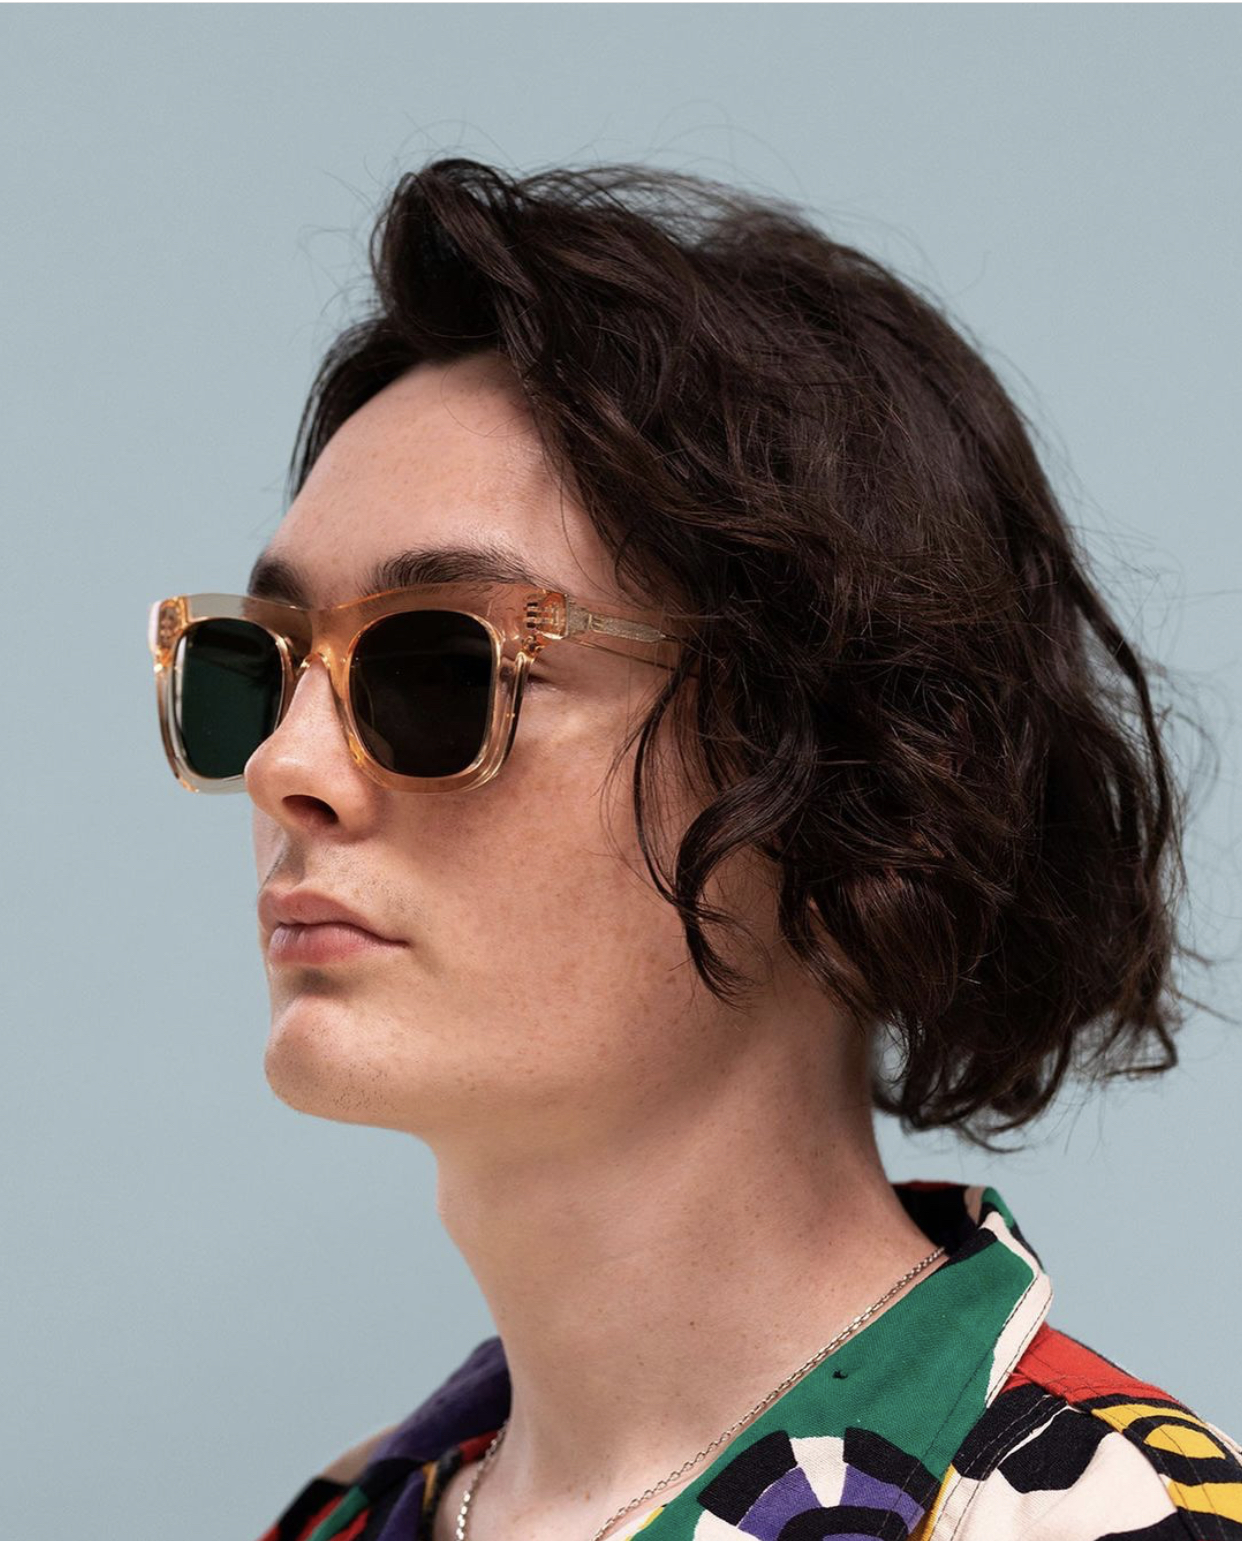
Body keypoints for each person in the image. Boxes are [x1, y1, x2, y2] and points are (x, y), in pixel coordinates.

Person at [147, 159, 1240, 1541]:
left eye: (441, 670)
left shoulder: (1102, 1518)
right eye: (257, 667)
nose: (284, 766)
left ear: (842, 775)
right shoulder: (347, 1517)